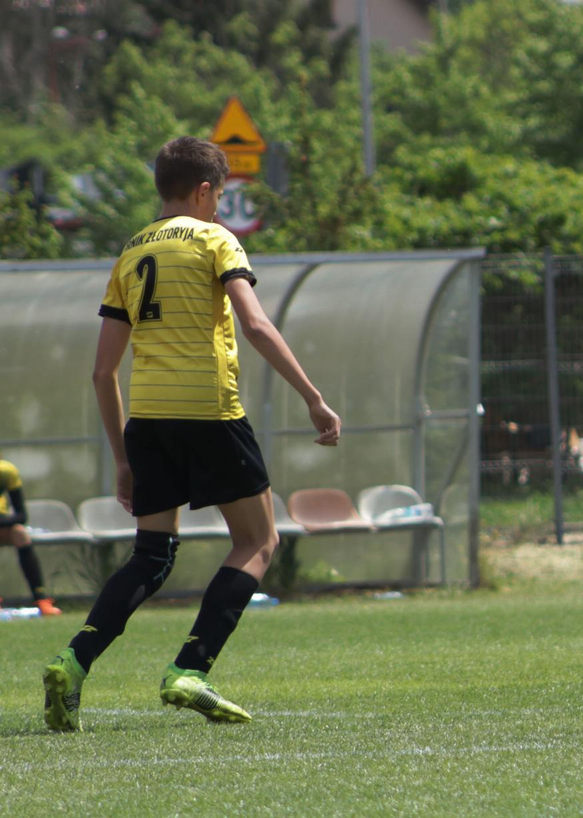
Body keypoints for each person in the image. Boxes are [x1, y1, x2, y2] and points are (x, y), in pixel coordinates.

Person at [42, 136, 342, 732]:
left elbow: (103, 372)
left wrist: (122, 459)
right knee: (258, 541)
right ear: (205, 191)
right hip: (210, 412)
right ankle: (189, 668)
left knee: (151, 556)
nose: (219, 207)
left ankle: (72, 661)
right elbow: (254, 324)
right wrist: (313, 397)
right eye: (220, 196)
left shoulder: (130, 253)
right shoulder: (214, 239)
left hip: (148, 421)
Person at [0, 454, 62, 616]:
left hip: (1, 522)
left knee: (19, 532)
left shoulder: (6, 471)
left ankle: (41, 599)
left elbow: (21, 515)